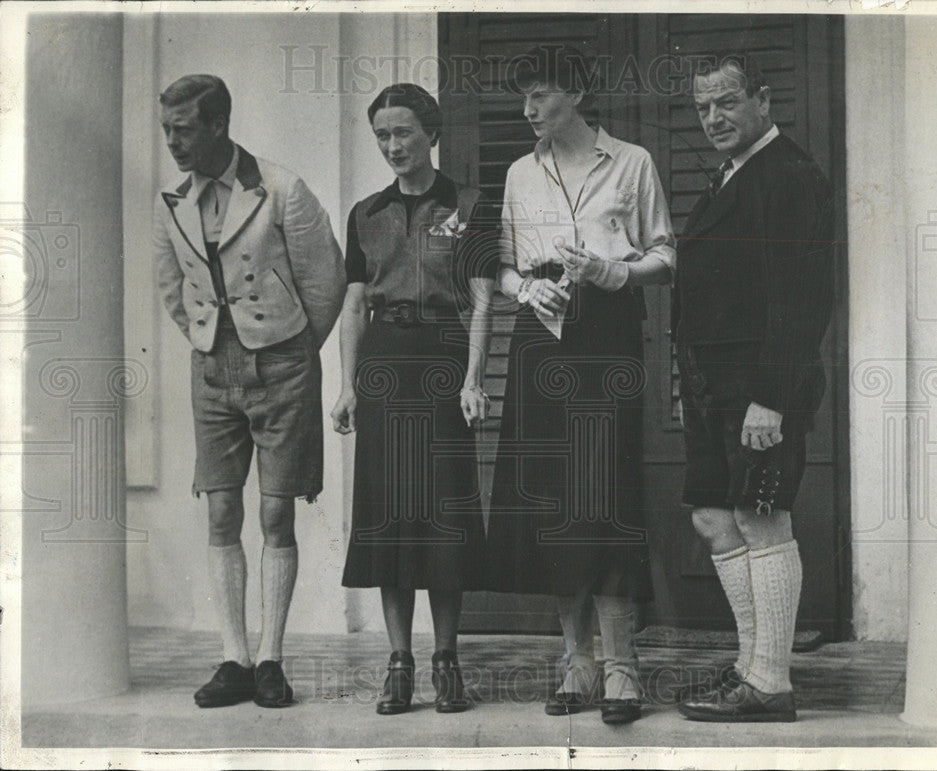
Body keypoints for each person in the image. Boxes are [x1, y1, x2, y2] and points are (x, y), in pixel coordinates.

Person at [486, 46, 676, 725]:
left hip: (607, 328)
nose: (528, 109)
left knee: (608, 490)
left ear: (576, 93)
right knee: (553, 495)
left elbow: (664, 252)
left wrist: (616, 271)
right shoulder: (517, 172)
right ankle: (578, 659)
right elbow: (502, 267)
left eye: (540, 95)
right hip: (542, 335)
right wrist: (524, 285)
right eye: (525, 97)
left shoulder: (632, 162)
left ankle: (623, 662)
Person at [153, 74, 346, 709]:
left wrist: (292, 351)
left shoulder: (281, 189)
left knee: (275, 512)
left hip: (283, 366)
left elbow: (327, 281)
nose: (173, 142)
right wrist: (211, 339)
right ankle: (233, 657)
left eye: (183, 129)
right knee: (220, 511)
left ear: (217, 125)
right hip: (211, 371)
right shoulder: (174, 200)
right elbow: (172, 291)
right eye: (166, 129)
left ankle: (271, 659)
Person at [673, 54, 835, 722]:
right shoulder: (732, 175)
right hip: (715, 384)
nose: (713, 118)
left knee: (762, 517)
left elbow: (804, 296)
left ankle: (769, 681)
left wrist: (770, 395)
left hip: (760, 382)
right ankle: (749, 665)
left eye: (727, 102)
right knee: (713, 517)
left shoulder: (791, 176)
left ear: (764, 100)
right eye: (703, 106)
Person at [331, 83, 497, 716]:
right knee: (390, 516)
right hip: (382, 365)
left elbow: (482, 295)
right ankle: (399, 663)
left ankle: (446, 659)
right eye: (381, 136)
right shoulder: (364, 212)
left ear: (431, 133)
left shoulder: (469, 204)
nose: (393, 146)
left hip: (443, 362)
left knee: (444, 518)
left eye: (403, 132)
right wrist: (347, 385)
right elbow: (352, 302)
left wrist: (474, 376)